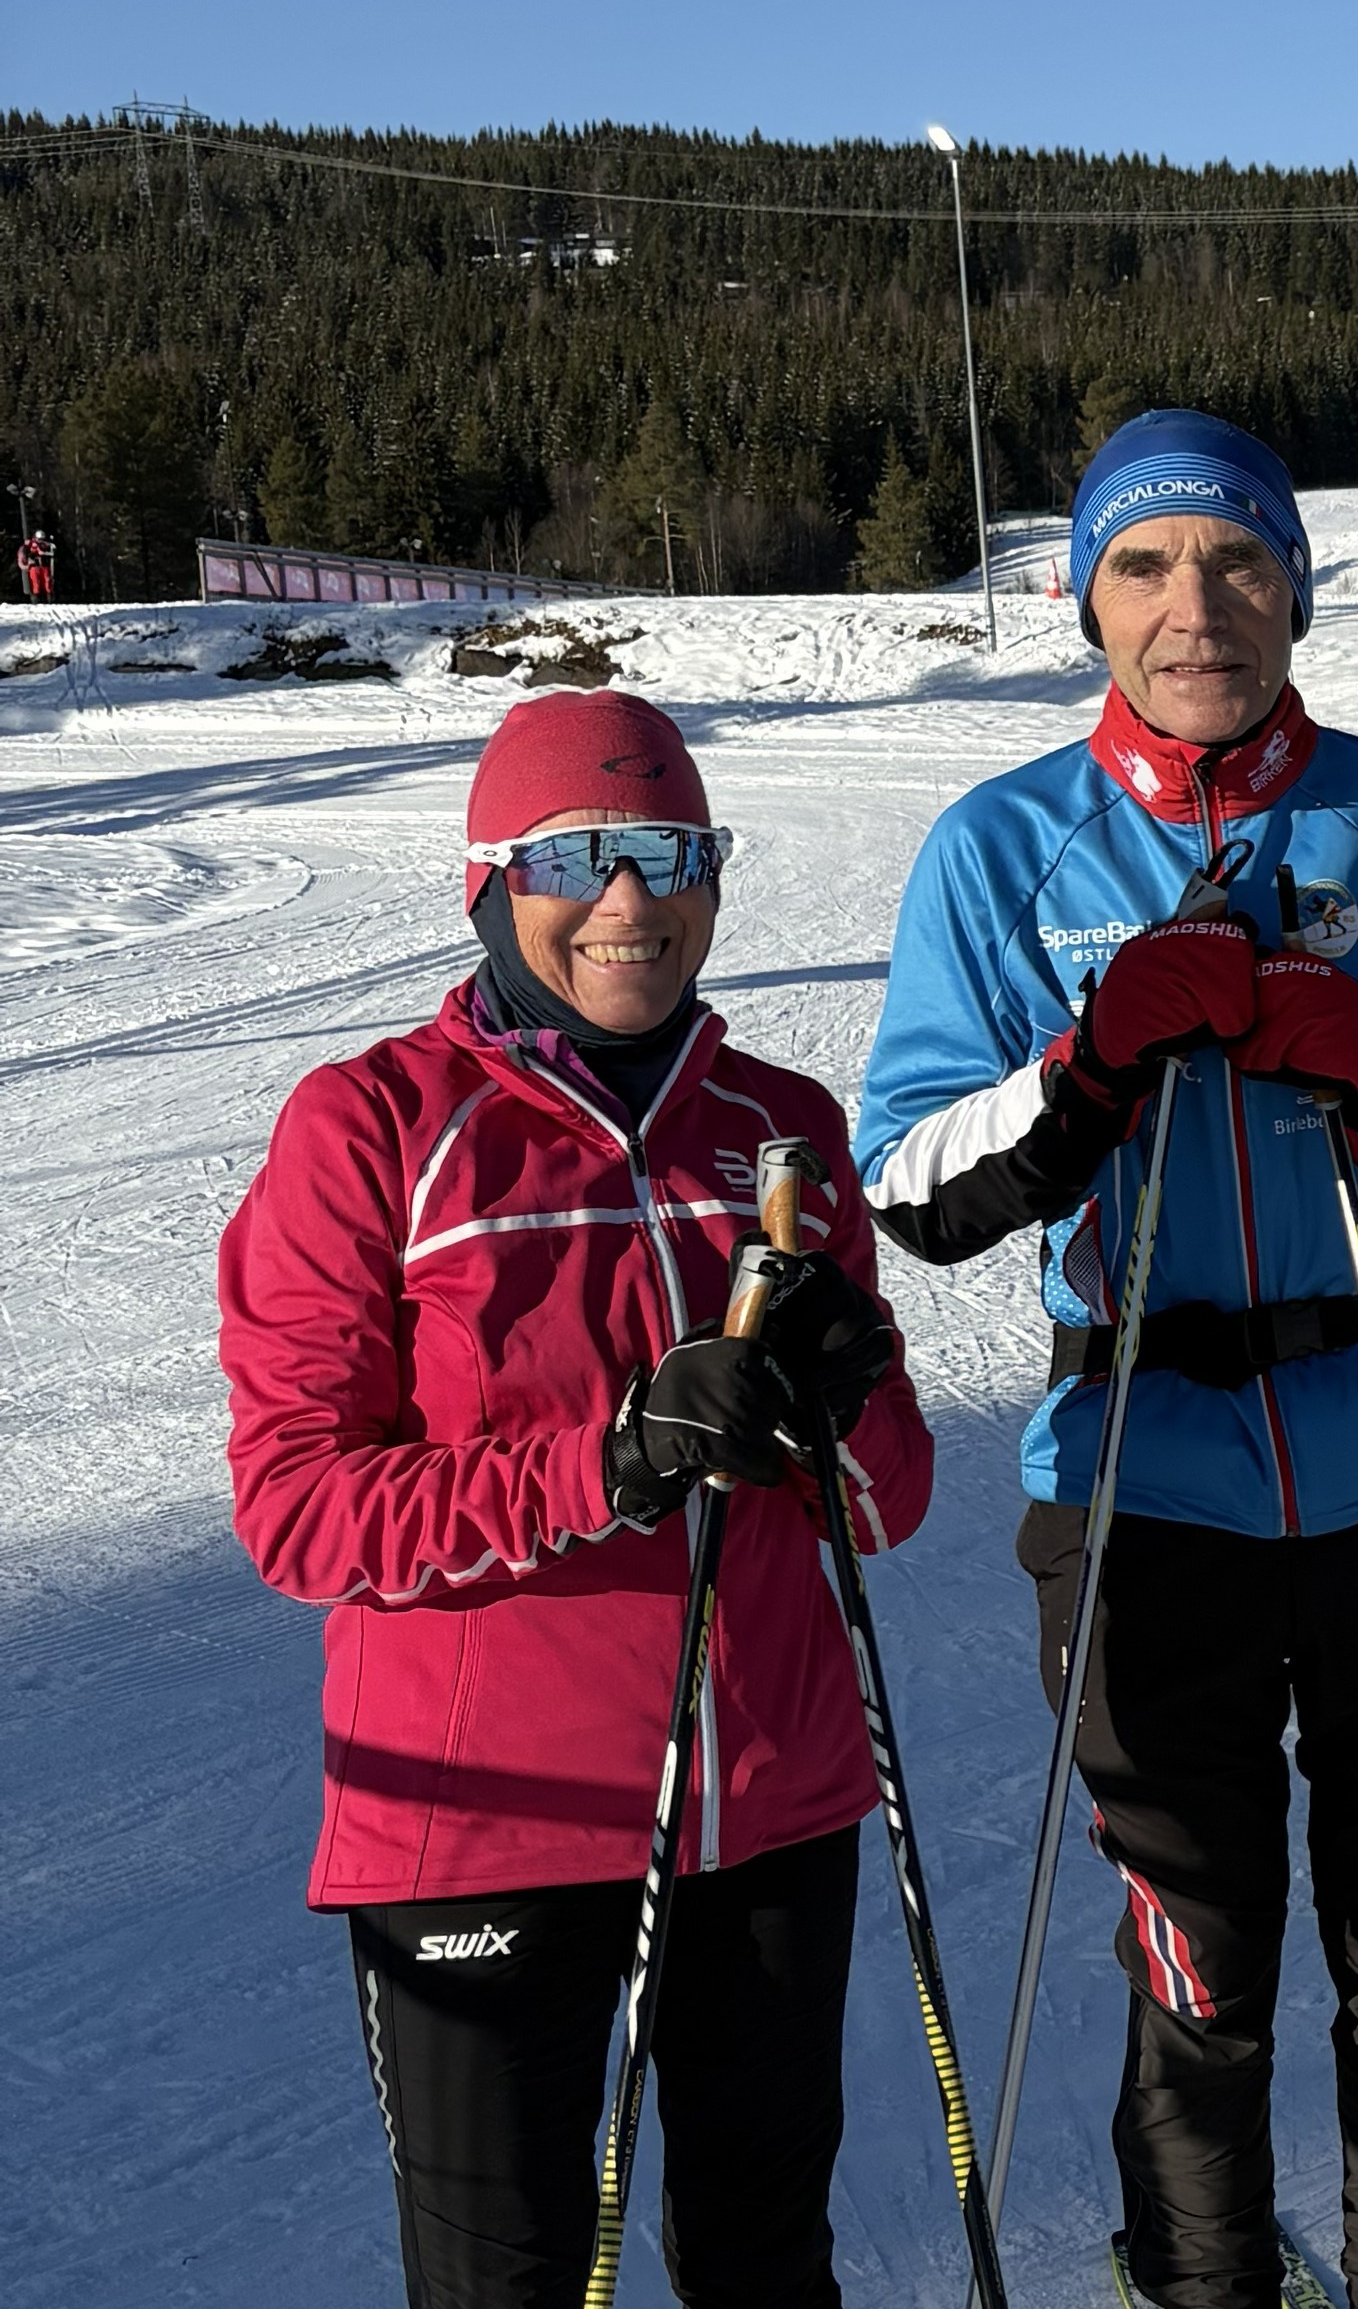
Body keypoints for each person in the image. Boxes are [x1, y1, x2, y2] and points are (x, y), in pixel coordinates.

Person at [855, 410, 1358, 2309]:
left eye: (1239, 562)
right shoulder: (1007, 843)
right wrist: (1093, 1061)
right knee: (1195, 1963)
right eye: (1144, 566)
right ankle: (1201, 2289)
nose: (1196, 608)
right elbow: (913, 1180)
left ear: (1295, 586)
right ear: (1082, 597)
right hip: (1138, 1485)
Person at [220, 688, 936, 2309]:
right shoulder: (373, 1128)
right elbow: (299, 1508)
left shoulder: (783, 1133)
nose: (632, 902)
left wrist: (842, 1409)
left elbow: (892, 1508)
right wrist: (610, 1459)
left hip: (769, 1799)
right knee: (512, 2287)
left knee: (769, 2267)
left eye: (671, 853)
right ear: (493, 880)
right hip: (483, 1824)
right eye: (578, 857)